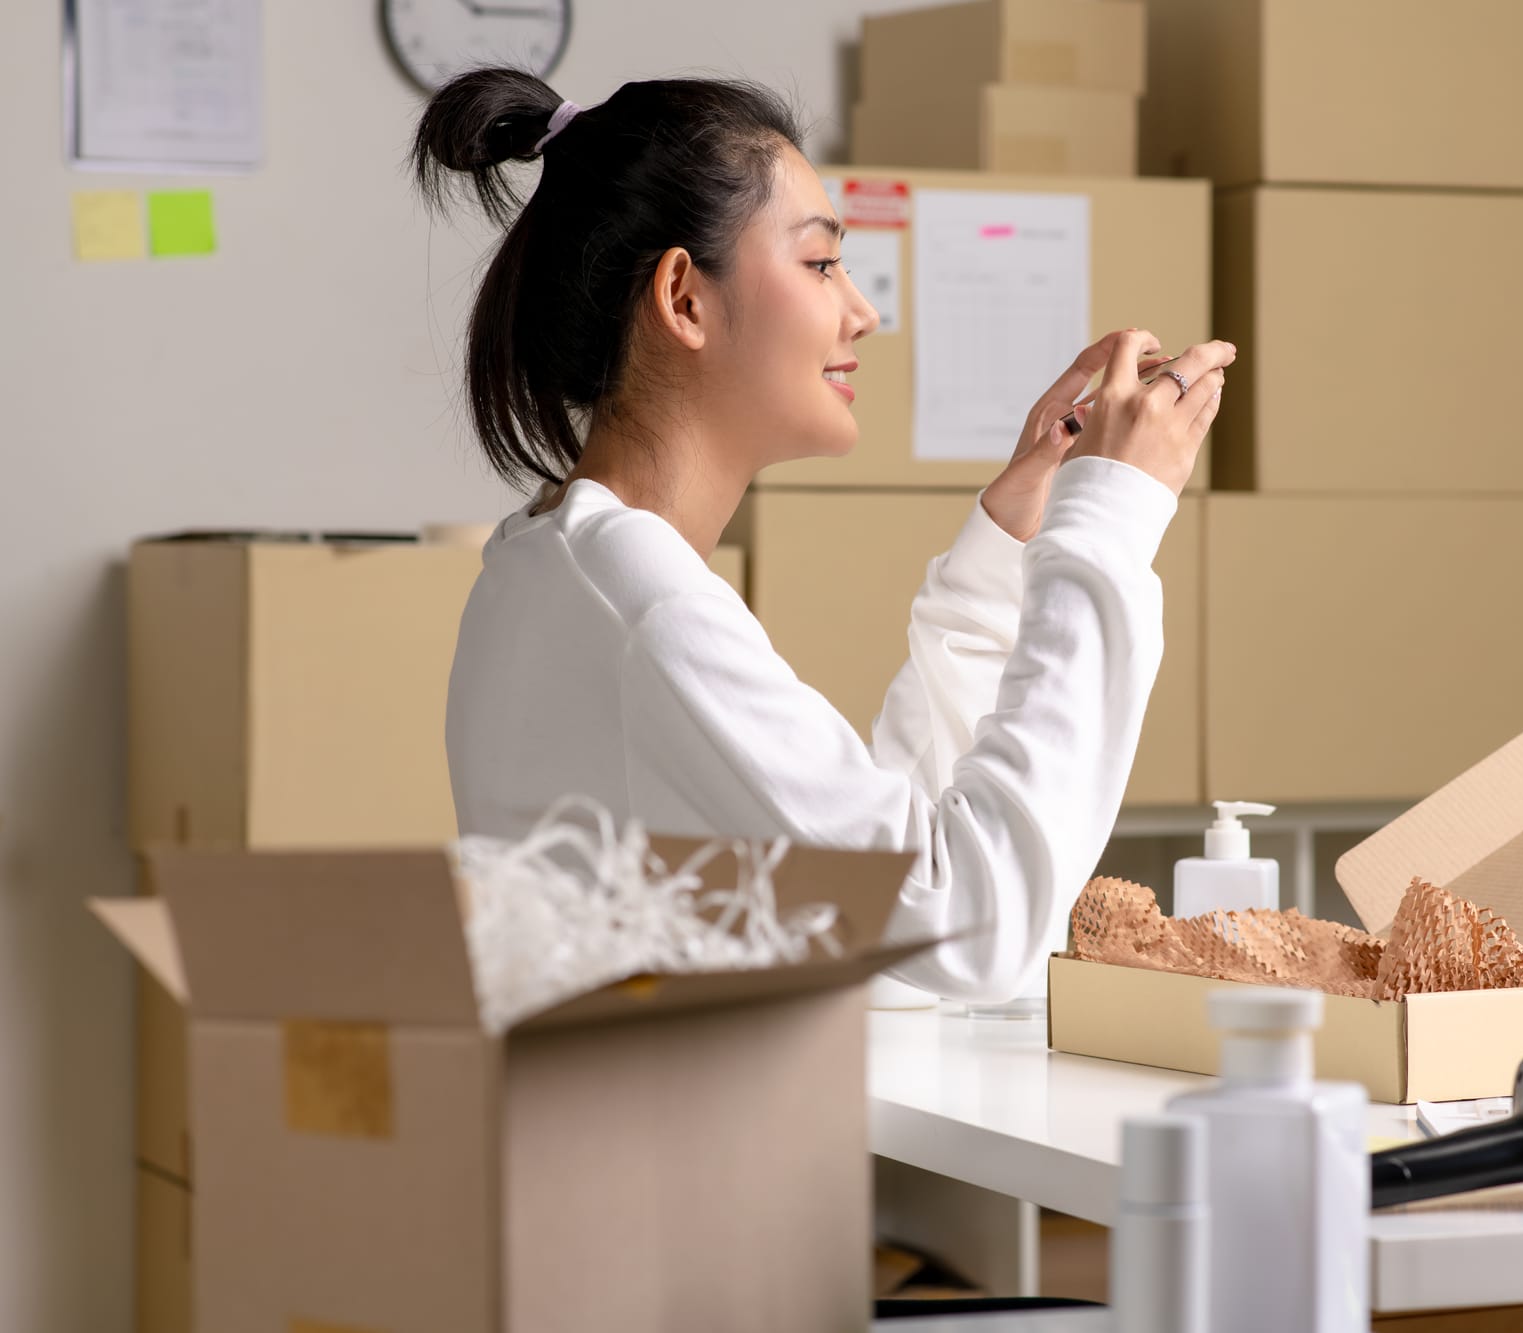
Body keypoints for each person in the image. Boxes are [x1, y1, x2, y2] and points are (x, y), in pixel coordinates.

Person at [417, 68, 1233, 1003]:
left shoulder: (553, 564)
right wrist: (1111, 517)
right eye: (819, 263)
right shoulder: (640, 600)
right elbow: (973, 924)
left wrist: (1005, 548)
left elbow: (861, 902)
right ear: (685, 297)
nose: (863, 310)